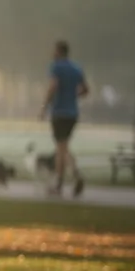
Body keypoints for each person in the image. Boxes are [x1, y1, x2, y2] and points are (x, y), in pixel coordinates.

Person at [39, 40, 89, 197]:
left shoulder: (56, 67)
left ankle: (60, 184)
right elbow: (86, 89)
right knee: (64, 147)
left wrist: (45, 107)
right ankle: (75, 176)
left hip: (59, 112)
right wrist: (73, 96)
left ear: (59, 52)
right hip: (73, 113)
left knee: (61, 149)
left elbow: (53, 86)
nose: (52, 53)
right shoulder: (76, 68)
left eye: (54, 51)